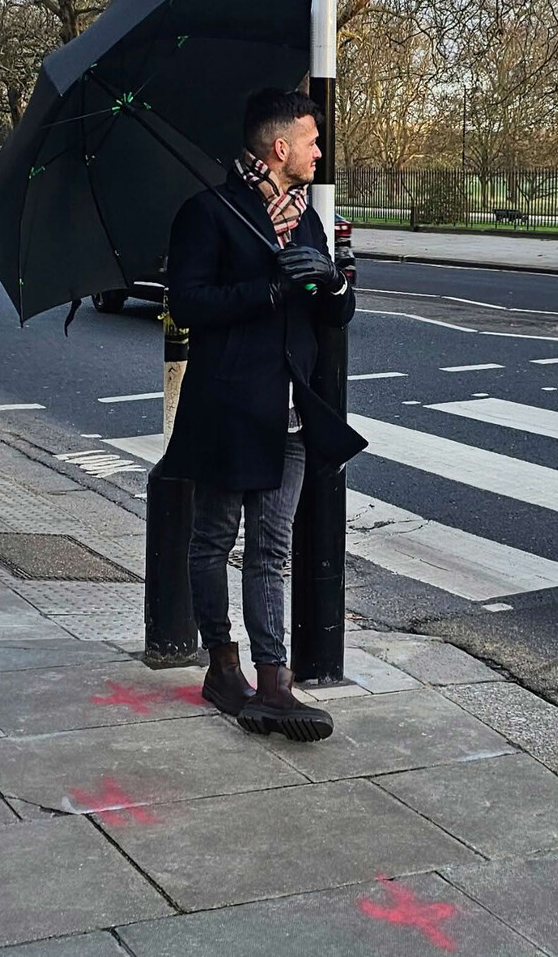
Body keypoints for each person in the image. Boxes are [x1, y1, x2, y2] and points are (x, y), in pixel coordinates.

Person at [165, 88, 366, 742]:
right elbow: (188, 303)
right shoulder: (209, 213)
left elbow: (331, 316)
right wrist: (270, 288)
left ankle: (274, 685)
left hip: (291, 415)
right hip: (229, 408)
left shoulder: (307, 219)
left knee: (271, 551)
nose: (318, 152)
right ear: (280, 147)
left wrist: (333, 283)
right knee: (213, 540)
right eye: (311, 140)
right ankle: (223, 668)